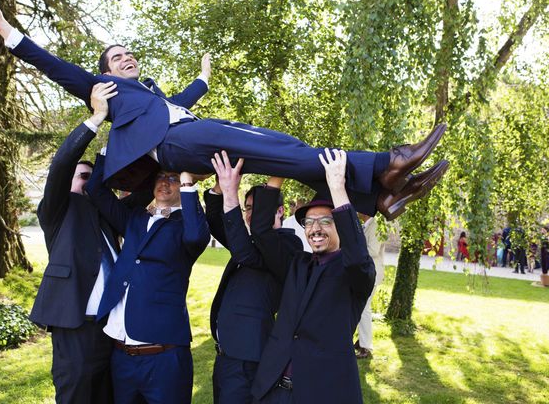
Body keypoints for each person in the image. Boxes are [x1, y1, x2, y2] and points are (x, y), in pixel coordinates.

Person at [0, 0, 449, 221]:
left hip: (188, 132)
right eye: (115, 57)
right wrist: (5, 31)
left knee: (280, 149)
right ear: (105, 72)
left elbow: (179, 103)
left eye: (128, 53)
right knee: (264, 146)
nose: (125, 57)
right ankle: (389, 161)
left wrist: (203, 80)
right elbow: (54, 65)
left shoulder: (149, 94)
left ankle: (377, 197)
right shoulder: (102, 90)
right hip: (170, 146)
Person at [32, 82, 151, 403]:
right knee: (78, 395)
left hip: (111, 327)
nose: (88, 182)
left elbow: (142, 194)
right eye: (82, 177)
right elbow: (60, 167)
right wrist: (98, 117)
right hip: (75, 325)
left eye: (91, 177)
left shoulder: (105, 213)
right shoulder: (58, 209)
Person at [250, 149, 376, 404]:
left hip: (321, 393)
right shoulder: (297, 263)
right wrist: (278, 175)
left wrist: (337, 188)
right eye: (309, 222)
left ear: (340, 224)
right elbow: (262, 232)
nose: (315, 229)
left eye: (326, 221)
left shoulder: (356, 273)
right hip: (273, 389)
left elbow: (356, 252)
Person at [85, 149, 210, 403]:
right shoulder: (134, 220)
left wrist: (188, 183)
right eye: (161, 176)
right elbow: (96, 190)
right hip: (121, 356)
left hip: (164, 357)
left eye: (173, 179)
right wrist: (112, 145)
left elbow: (197, 236)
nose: (165, 182)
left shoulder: (187, 228)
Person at [205, 151, 303, 404]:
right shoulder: (248, 244)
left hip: (249, 358)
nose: (250, 215)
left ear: (280, 210)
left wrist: (231, 193)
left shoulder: (288, 246)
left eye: (256, 209)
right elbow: (218, 223)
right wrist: (220, 184)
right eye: (248, 208)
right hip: (228, 355)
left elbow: (249, 250)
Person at [354, 213, 385, 359]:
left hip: (373, 272)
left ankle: (365, 346)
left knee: (364, 308)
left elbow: (373, 250)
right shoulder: (365, 225)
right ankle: (362, 340)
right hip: (366, 272)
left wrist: (353, 247)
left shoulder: (376, 225)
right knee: (361, 307)